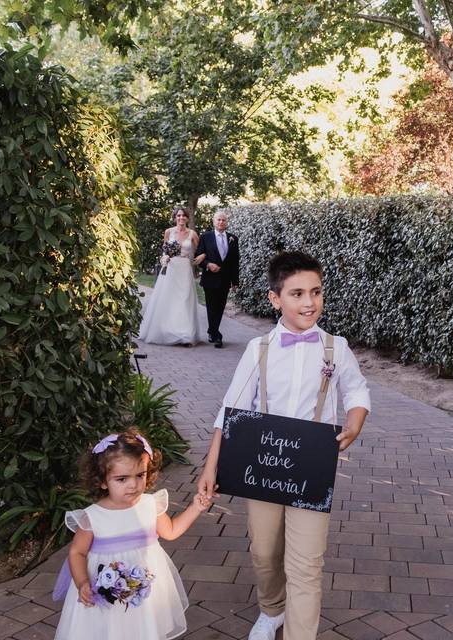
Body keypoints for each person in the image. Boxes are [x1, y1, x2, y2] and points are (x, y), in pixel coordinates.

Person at [196, 251, 371, 640]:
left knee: (307, 563)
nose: (309, 303)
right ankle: (272, 608)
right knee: (264, 551)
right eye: (296, 294)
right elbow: (231, 410)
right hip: (262, 468)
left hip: (310, 470)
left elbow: (356, 389)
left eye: (316, 292)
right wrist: (211, 469)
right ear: (276, 298)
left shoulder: (335, 348)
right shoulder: (259, 349)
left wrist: (355, 421)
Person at [53, 429, 212, 640]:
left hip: (142, 590)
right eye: (122, 479)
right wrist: (82, 582)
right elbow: (77, 553)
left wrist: (195, 508)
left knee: (142, 628)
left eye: (140, 475)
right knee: (108, 630)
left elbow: (171, 531)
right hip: (104, 591)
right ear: (102, 480)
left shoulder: (150, 505)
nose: (133, 484)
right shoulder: (93, 517)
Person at [138, 205, 207, 345]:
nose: (181, 218)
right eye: (178, 216)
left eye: (184, 216)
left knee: (184, 300)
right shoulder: (168, 232)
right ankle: (168, 331)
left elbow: (202, 250)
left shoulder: (192, 234)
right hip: (171, 269)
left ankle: (185, 334)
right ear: (175, 217)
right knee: (169, 299)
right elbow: (164, 251)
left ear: (187, 218)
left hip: (185, 269)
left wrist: (202, 257)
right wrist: (164, 258)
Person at [195, 210, 239, 348]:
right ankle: (215, 335)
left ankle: (212, 331)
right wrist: (208, 264)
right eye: (218, 220)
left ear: (226, 222)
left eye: (223, 220)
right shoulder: (205, 237)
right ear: (213, 221)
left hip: (225, 279)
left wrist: (235, 281)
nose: (221, 222)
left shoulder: (233, 238)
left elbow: (234, 261)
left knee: (220, 307)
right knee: (211, 307)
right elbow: (198, 258)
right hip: (210, 278)